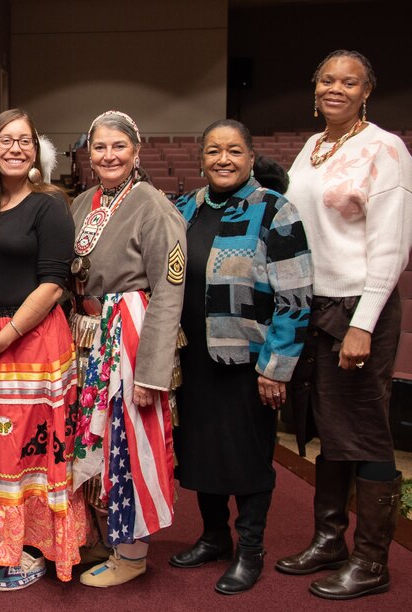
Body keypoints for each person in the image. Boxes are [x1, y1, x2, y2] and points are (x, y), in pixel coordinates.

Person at [278, 49, 412, 601]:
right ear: (316, 89)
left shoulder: (384, 148)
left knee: (366, 434)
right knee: (331, 431)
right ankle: (330, 540)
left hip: (360, 308)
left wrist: (362, 324)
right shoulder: (313, 147)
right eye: (327, 80)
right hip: (317, 305)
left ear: (366, 91)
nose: (336, 88)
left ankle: (372, 561)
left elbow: (391, 246)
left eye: (348, 82)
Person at [170, 119, 312, 595]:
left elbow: (295, 296)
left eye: (233, 151)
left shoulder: (274, 209)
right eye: (213, 151)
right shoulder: (185, 208)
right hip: (192, 357)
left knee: (247, 458)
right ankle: (214, 537)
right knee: (201, 453)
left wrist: (276, 367)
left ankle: (250, 550)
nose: (222, 160)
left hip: (246, 360)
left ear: (251, 157)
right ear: (202, 157)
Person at [0, 109, 86, 591]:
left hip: (30, 339)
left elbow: (53, 284)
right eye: (5, 140)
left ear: (36, 150)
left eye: (24, 140)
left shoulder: (49, 204)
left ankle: (28, 550)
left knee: (25, 444)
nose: (14, 148)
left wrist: (7, 335)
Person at [69, 110, 185, 588]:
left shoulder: (153, 205)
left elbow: (169, 289)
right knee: (90, 437)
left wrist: (152, 372)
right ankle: (102, 536)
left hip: (130, 340)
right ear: (88, 153)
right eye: (100, 147)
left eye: (119, 146)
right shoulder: (80, 204)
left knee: (128, 440)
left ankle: (132, 552)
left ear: (136, 151)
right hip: (86, 336)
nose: (108, 155)